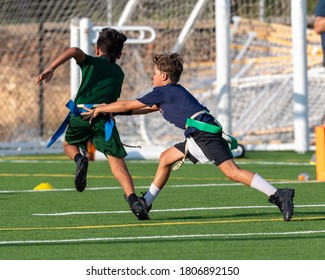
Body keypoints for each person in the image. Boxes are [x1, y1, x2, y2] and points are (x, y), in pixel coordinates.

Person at [82, 52, 295, 221]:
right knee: (166, 158)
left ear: (164, 76)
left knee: (232, 172)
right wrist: (111, 109)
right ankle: (145, 203)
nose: (153, 76)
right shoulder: (169, 92)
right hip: (197, 133)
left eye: (155, 73)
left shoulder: (164, 91)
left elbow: (130, 104)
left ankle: (279, 195)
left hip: (203, 133)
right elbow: (142, 109)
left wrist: (102, 109)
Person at [35, 28, 149, 220]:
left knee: (68, 145)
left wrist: (51, 68)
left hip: (80, 115)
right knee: (117, 164)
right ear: (119, 55)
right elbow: (113, 103)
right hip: (104, 119)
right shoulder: (119, 73)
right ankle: (134, 200)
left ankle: (80, 159)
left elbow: (73, 50)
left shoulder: (90, 62)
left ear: (97, 50)